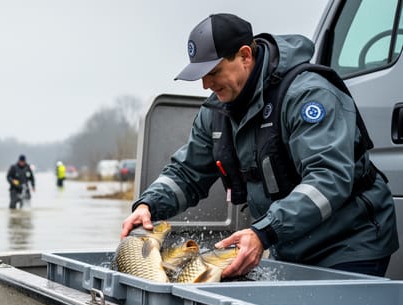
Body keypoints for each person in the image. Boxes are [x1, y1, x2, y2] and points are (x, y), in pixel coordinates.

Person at [121, 13, 398, 277]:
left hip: (349, 243)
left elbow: (329, 179)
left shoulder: (308, 94)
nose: (206, 85)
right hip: (289, 245)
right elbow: (186, 173)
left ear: (244, 56)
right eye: (201, 76)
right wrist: (148, 205)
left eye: (214, 72)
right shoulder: (216, 111)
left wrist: (264, 232)